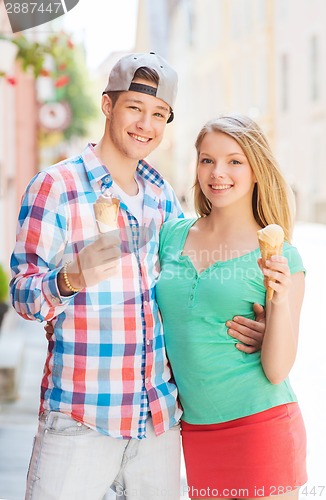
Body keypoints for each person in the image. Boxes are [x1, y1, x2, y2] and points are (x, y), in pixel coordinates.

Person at [10, 53, 265, 500]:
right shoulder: (57, 187)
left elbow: (187, 291)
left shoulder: (163, 196)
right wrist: (70, 277)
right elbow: (23, 298)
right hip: (80, 419)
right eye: (134, 107)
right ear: (108, 106)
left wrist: (259, 328)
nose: (145, 124)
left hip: (157, 424)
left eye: (159, 114)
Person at [156, 114, 307, 500]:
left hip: (261, 429)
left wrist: (279, 302)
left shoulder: (280, 257)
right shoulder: (172, 234)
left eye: (234, 161)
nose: (217, 172)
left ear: (256, 169)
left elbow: (277, 370)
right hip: (196, 431)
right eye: (207, 160)